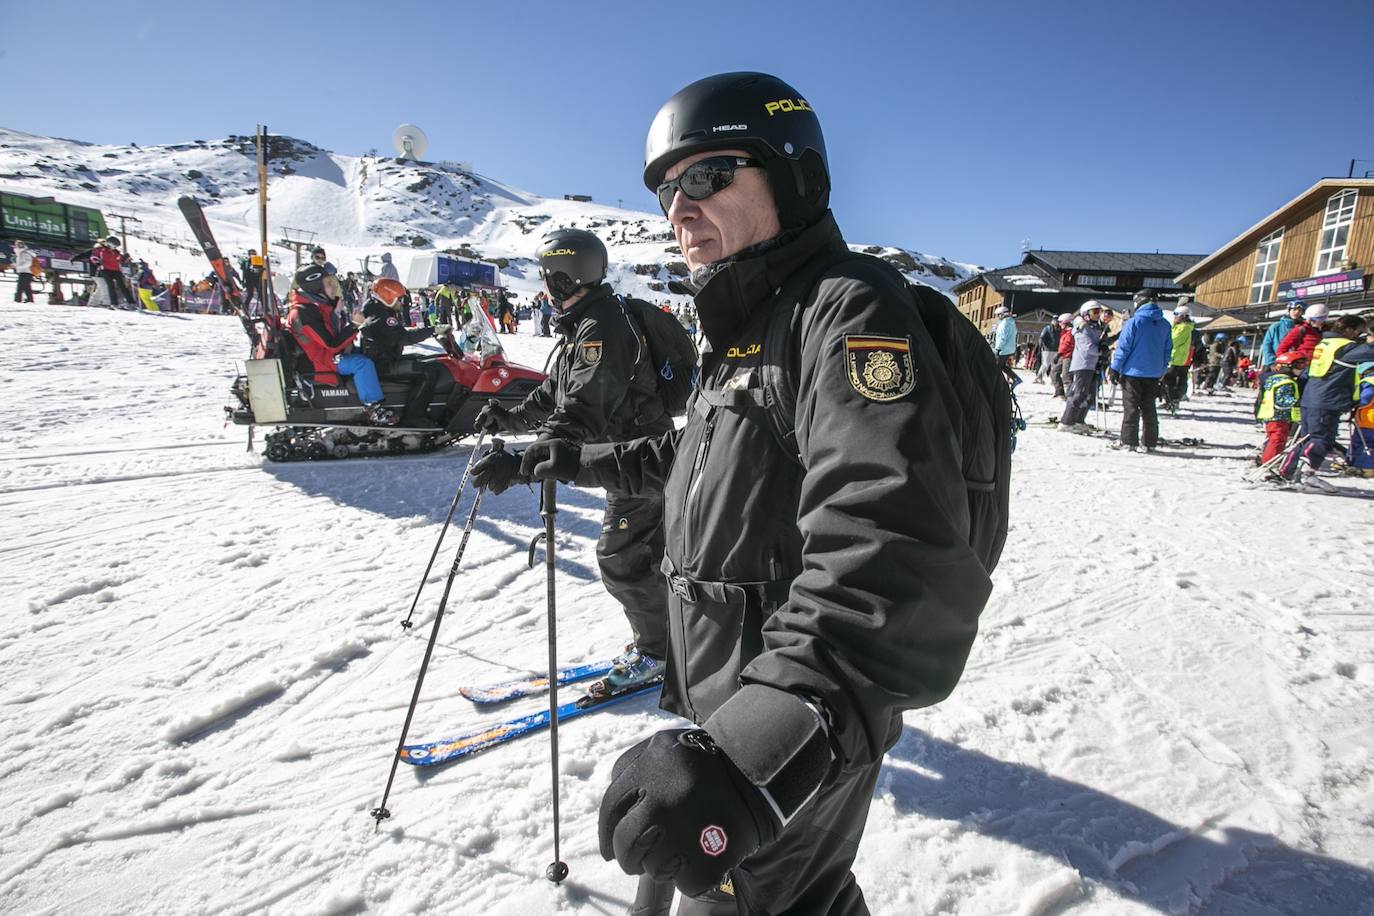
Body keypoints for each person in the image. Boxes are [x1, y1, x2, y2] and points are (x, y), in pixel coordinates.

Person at [509, 72, 993, 914]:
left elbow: (892, 539)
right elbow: (686, 455)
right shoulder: (748, 331)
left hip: (797, 709)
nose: (677, 207)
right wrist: (555, 463)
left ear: (793, 174)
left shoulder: (845, 311)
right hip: (728, 698)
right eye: (665, 188)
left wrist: (755, 747)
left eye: (707, 176)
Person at [471, 228, 674, 694]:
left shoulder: (604, 327)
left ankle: (660, 653)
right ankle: (664, 639)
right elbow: (554, 395)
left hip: (638, 461)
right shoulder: (587, 321)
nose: (544, 288)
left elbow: (583, 409)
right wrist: (508, 419)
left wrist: (525, 463)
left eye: (548, 278)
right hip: (621, 459)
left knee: (622, 557)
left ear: (561, 280)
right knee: (643, 555)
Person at [285, 251, 397, 426]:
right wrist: (353, 325)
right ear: (316, 288)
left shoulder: (314, 308)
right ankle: (373, 408)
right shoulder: (304, 313)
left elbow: (331, 338)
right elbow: (330, 344)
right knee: (362, 363)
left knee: (372, 355)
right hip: (319, 363)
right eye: (329, 284)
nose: (334, 287)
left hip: (324, 357)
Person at [1278, 316, 1374, 487]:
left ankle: (1288, 471)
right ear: (1348, 330)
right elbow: (1369, 352)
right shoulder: (1344, 347)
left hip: (1312, 398)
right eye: (1359, 331)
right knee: (1322, 438)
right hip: (1327, 400)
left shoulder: (1325, 343)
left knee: (1306, 438)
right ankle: (1307, 472)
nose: (1360, 335)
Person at [359, 277, 450, 428]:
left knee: (430, 359)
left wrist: (431, 330)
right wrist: (432, 330)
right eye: (399, 299)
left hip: (384, 360)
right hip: (384, 365)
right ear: (388, 297)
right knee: (430, 370)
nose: (402, 304)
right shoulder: (381, 318)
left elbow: (399, 333)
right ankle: (414, 417)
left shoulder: (378, 312)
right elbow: (404, 337)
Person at [1107, 290, 1172, 452]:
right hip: (1153, 373)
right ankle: (1150, 442)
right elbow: (1167, 350)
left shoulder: (1134, 322)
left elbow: (1124, 348)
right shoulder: (1164, 324)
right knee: (1149, 408)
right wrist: (1162, 369)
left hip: (1133, 373)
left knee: (1131, 408)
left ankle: (1129, 441)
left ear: (1139, 302)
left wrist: (1115, 368)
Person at [1058, 301, 1106, 432]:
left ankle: (1078, 420)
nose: (1097, 315)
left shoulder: (1094, 327)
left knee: (1089, 395)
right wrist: (1101, 350)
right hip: (1083, 365)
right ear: (1086, 314)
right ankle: (1066, 422)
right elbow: (1088, 347)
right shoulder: (1082, 328)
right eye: (1094, 312)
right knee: (1080, 393)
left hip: (1092, 364)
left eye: (1099, 312)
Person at [1254, 350, 1305, 468]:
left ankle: (1271, 459)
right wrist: (1297, 403)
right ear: (1287, 366)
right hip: (1278, 416)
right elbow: (1281, 400)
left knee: (1276, 439)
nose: (1301, 368)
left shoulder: (1275, 378)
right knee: (1277, 440)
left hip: (1273, 415)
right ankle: (1269, 462)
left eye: (1303, 365)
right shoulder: (1285, 382)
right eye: (1298, 365)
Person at [1163, 304, 1195, 410]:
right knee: (1174, 380)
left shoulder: (1184, 327)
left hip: (1176, 358)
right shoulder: (1183, 327)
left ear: (1184, 316)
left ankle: (1172, 400)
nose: (1174, 317)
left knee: (1169, 380)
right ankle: (1171, 400)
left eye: (1177, 314)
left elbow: (1173, 340)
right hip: (1179, 358)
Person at [91, 236, 134, 307]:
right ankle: (114, 303)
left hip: (116, 270)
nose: (115, 247)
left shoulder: (116, 252)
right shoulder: (101, 250)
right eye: (115, 246)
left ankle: (131, 302)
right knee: (111, 286)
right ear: (110, 244)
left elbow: (121, 260)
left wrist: (125, 258)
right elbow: (93, 257)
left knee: (122, 286)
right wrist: (97, 261)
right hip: (105, 270)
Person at [1260, 302, 1304, 369]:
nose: (1297, 312)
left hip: (1297, 365)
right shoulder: (1276, 326)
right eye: (1294, 309)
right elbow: (1266, 345)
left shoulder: (1303, 328)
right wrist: (1271, 363)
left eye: (1299, 310)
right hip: (1277, 363)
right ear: (1289, 310)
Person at [990, 304, 1018, 385]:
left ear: (1002, 314)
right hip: (1010, 348)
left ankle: (995, 382)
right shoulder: (1012, 323)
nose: (998, 317)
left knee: (996, 366)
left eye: (998, 315)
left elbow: (1002, 338)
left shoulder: (1003, 324)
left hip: (1003, 349)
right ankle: (1015, 378)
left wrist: (998, 348)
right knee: (1002, 366)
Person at [1034, 317, 1060, 385]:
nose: (1056, 322)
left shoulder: (1060, 329)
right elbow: (1042, 338)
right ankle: (1039, 377)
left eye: (1057, 320)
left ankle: (1053, 380)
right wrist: (1042, 346)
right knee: (1045, 365)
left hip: (1056, 349)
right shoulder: (1047, 328)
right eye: (1055, 320)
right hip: (1047, 349)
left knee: (1055, 366)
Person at [240, 249, 264, 313]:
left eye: (254, 254)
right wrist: (243, 280)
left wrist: (261, 271)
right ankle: (245, 308)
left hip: (257, 279)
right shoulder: (246, 262)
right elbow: (244, 272)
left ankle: (264, 308)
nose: (252, 255)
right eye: (251, 254)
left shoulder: (258, 260)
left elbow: (262, 269)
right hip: (249, 279)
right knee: (250, 294)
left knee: (261, 294)